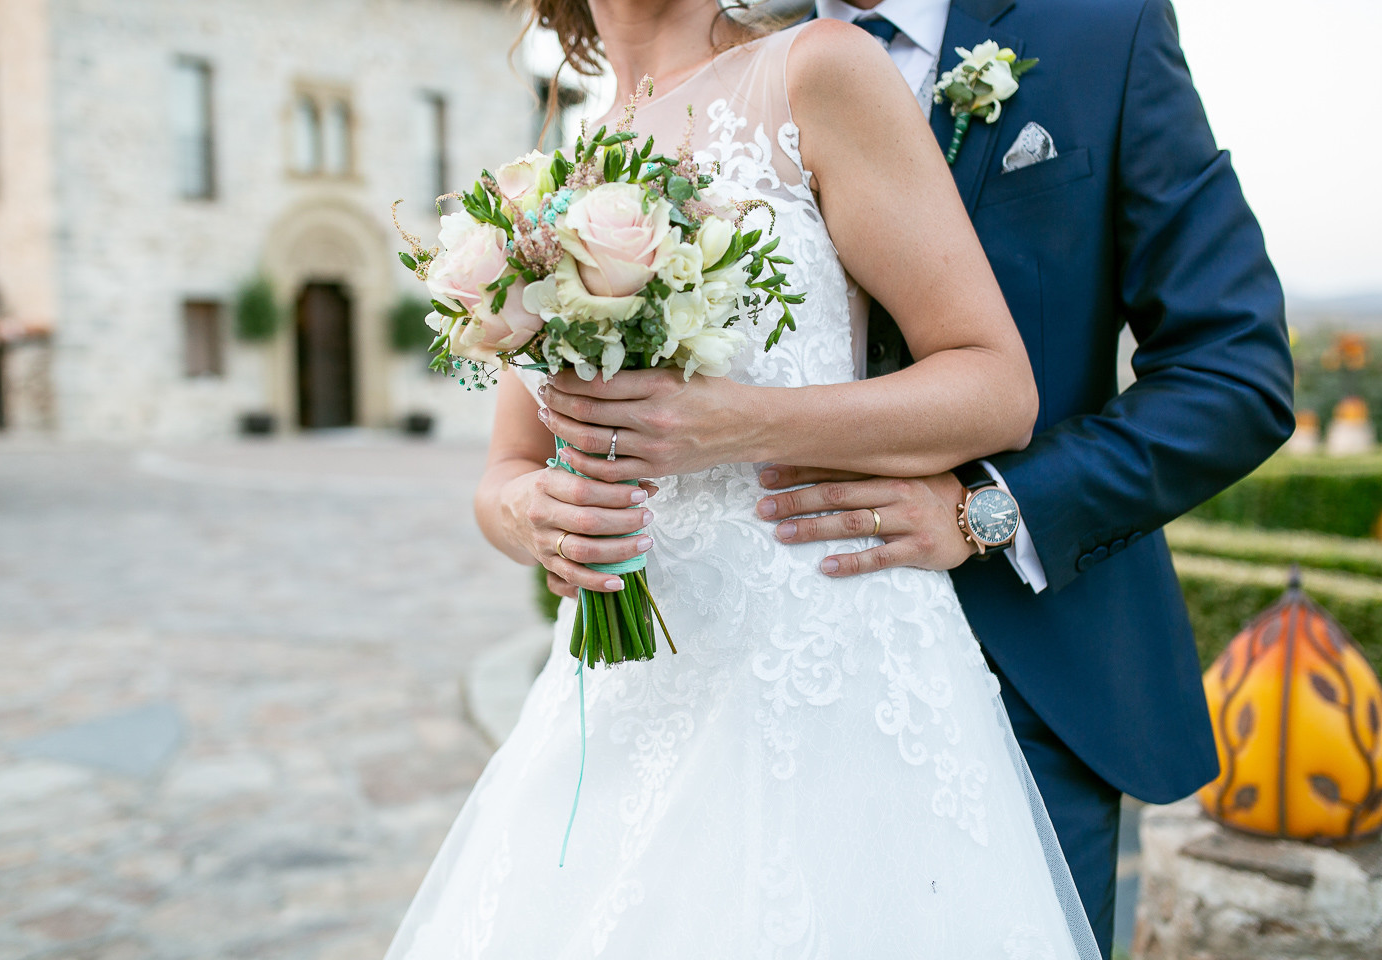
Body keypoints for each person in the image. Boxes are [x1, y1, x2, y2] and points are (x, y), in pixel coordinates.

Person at [541, 0, 1296, 953]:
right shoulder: (730, 64)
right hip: (744, 683)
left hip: (1028, 671)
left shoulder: (1106, 31)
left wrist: (991, 507)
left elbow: (1235, 373)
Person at [385, 1, 1105, 957]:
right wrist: (537, 516)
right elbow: (505, 474)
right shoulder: (549, 175)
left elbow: (995, 388)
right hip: (622, 691)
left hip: (823, 676)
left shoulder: (818, 71)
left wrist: (743, 425)